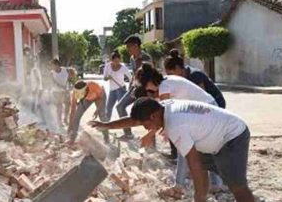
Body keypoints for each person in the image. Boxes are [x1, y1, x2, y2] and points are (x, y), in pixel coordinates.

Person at [89, 98, 255, 202]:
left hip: (231, 136)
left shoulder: (176, 125)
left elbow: (194, 163)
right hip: (211, 135)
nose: (147, 129)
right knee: (203, 167)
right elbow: (135, 121)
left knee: (236, 186)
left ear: (153, 117)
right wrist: (107, 125)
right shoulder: (163, 107)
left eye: (146, 125)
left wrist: (196, 197)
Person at [135, 63, 225, 195]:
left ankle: (179, 185)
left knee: (186, 147)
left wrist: (150, 135)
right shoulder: (166, 82)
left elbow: (163, 116)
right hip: (203, 110)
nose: (147, 89)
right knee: (200, 147)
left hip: (205, 110)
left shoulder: (165, 86)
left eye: (145, 85)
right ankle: (216, 183)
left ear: (149, 81)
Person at [116, 35, 152, 140]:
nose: (127, 49)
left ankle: (151, 143)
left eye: (128, 47)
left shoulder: (146, 58)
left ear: (136, 46)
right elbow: (134, 73)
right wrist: (131, 85)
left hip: (145, 90)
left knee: (148, 114)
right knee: (120, 106)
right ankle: (128, 134)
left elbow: (150, 76)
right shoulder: (132, 58)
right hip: (134, 88)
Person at [103, 52, 132, 121]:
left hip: (121, 89)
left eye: (118, 61)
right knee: (108, 108)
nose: (117, 63)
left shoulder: (123, 67)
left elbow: (131, 78)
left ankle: (126, 129)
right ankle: (105, 127)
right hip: (112, 90)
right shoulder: (107, 66)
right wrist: (108, 78)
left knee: (120, 108)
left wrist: (130, 88)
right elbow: (104, 78)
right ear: (111, 60)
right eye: (115, 61)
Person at [50, 59, 74, 125]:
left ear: (57, 65)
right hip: (56, 91)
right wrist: (62, 87)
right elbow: (54, 82)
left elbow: (71, 75)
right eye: (51, 66)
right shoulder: (52, 73)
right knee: (59, 106)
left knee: (68, 104)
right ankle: (59, 121)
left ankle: (65, 119)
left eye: (53, 65)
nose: (52, 67)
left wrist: (71, 84)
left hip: (65, 90)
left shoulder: (65, 70)